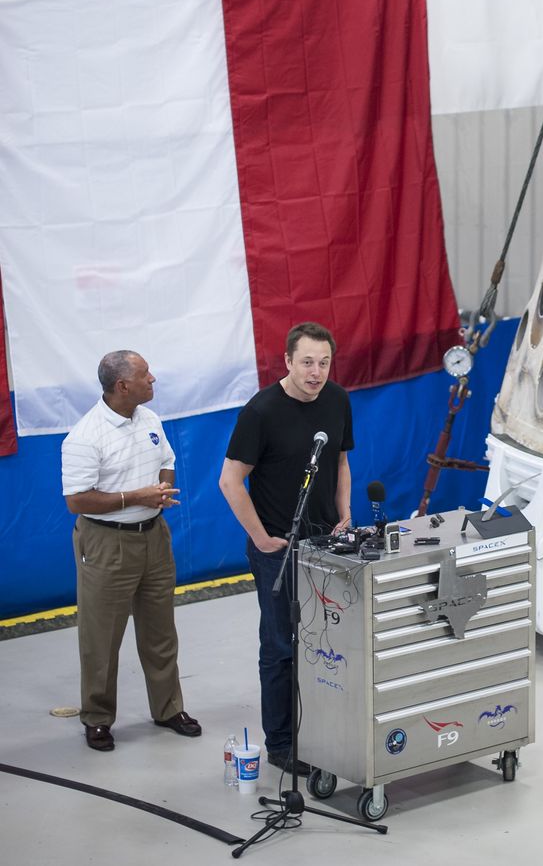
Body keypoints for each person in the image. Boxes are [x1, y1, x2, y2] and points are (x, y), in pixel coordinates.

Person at [219, 322, 353, 775]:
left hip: (326, 544)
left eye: (324, 362)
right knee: (280, 646)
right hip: (277, 548)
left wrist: (343, 514)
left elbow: (339, 460)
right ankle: (280, 743)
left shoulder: (337, 400)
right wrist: (260, 537)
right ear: (288, 362)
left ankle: (320, 730)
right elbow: (230, 480)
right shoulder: (260, 412)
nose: (316, 373)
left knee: (327, 642)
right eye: (307, 363)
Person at [61, 351, 202, 751]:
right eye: (145, 375)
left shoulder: (149, 420)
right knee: (101, 637)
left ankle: (168, 707)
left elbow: (167, 459)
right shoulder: (85, 437)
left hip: (154, 537)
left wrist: (160, 489)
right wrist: (136, 496)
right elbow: (78, 501)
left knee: (160, 630)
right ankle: (98, 717)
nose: (152, 378)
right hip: (107, 544)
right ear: (123, 386)